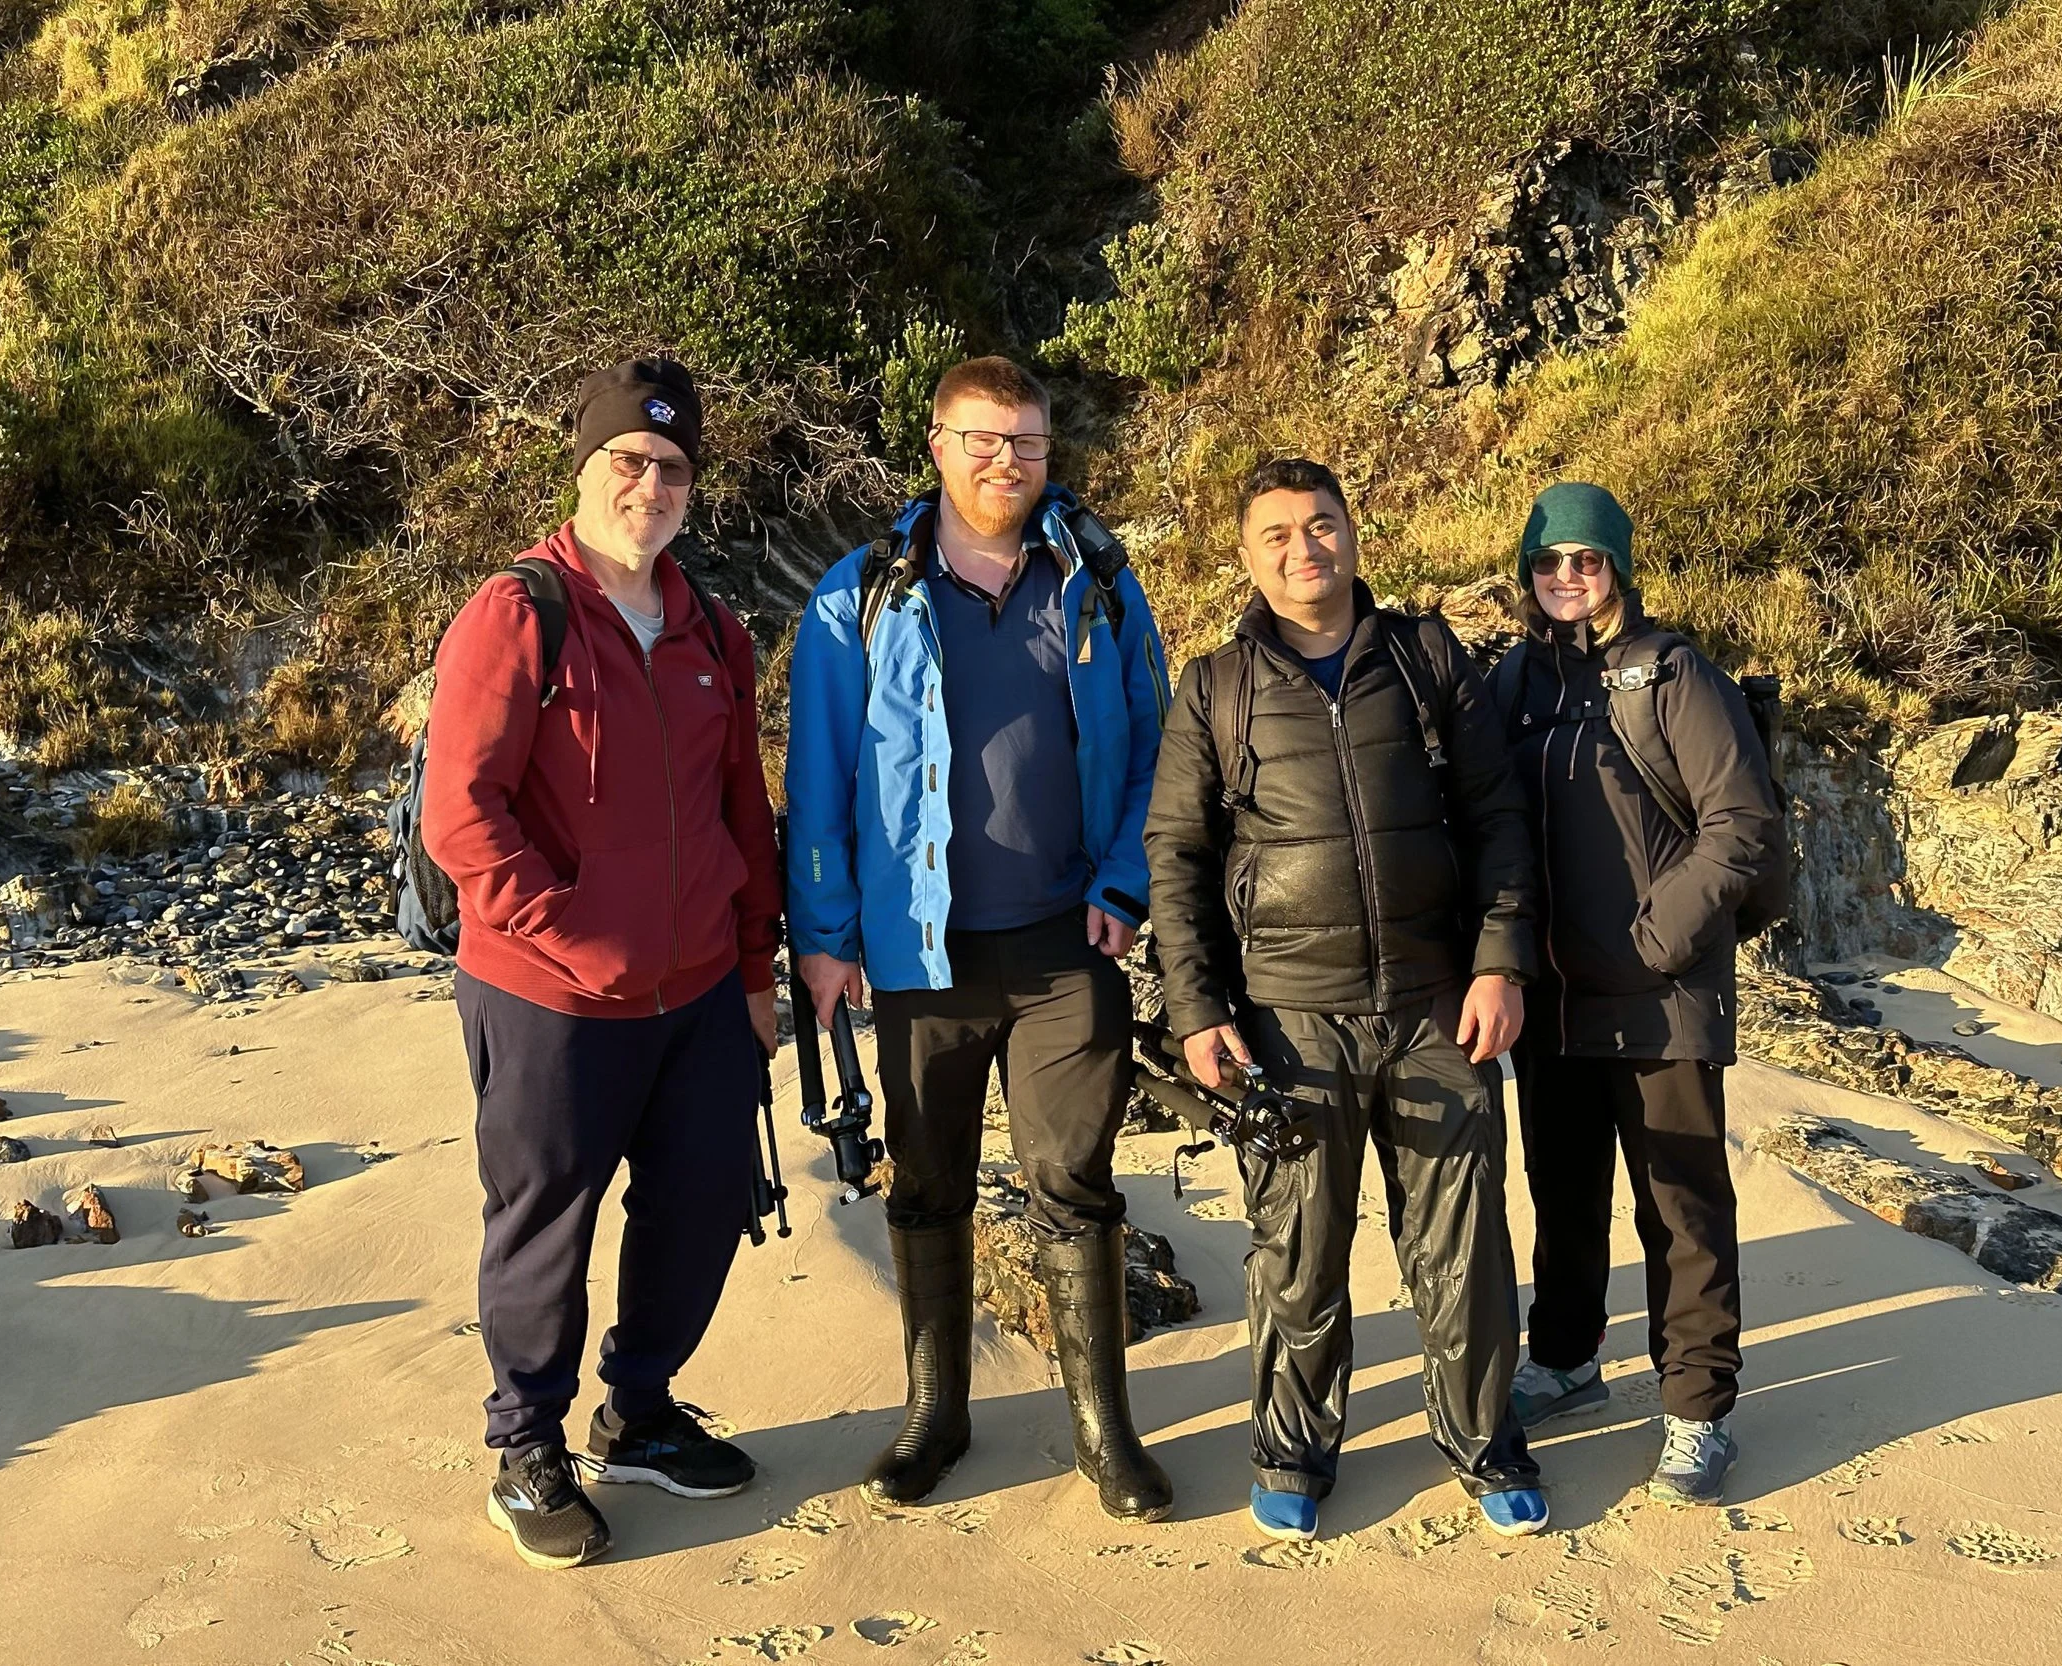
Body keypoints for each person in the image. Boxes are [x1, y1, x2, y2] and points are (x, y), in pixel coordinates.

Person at [784, 355, 1176, 1522]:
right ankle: (934, 1416)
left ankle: (1103, 1429)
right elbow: (819, 777)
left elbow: (1156, 746)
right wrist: (825, 935)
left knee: (1075, 1180)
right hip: (921, 952)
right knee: (927, 1180)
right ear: (938, 446)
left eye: (1027, 441)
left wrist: (1127, 883)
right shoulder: (859, 594)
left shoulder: (1098, 582)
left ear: (1049, 451)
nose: (1007, 460)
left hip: (1066, 945)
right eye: (983, 439)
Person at [1144, 457, 1548, 1544]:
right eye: (1276, 533)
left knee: (1464, 1244)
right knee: (1297, 1249)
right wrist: (1198, 1010)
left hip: (1436, 1004)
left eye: (1320, 525)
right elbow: (1176, 856)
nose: (1303, 549)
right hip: (1287, 1017)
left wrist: (1500, 962)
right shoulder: (1214, 688)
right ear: (1246, 556)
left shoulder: (1426, 658)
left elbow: (1497, 815)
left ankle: (1484, 1440)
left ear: (1353, 532)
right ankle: (1292, 1450)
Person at [422, 356, 783, 1569]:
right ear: (583, 469)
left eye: (673, 467)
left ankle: (639, 1410)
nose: (650, 485)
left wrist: (753, 969)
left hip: (700, 991)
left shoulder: (712, 629)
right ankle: (526, 1446)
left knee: (701, 1204)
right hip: (548, 997)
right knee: (544, 1224)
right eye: (629, 459)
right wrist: (567, 932)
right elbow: (462, 816)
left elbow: (741, 810)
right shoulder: (517, 612)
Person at [1485, 480, 1781, 1507]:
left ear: (1616, 565)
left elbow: (1739, 823)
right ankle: (1566, 1359)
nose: (1566, 576)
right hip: (1554, 999)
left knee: (1680, 1208)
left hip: (1662, 994)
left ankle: (1697, 1409)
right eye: (1547, 560)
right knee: (1562, 1196)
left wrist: (1659, 938)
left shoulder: (1672, 674)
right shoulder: (1514, 679)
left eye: (1586, 558)